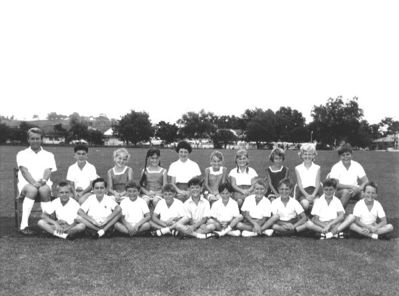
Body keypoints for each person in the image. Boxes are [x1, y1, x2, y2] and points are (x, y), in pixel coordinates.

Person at [16, 127, 57, 235]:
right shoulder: (21, 154)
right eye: (32, 138)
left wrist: (43, 180)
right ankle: (23, 226)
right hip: (27, 184)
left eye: (37, 138)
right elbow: (24, 171)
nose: (35, 141)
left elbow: (48, 170)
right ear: (28, 140)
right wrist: (34, 183)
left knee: (44, 190)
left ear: (41, 139)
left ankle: (46, 225)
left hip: (44, 182)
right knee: (32, 190)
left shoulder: (49, 155)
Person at [329, 143, 369, 207]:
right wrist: (351, 187)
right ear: (340, 157)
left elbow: (366, 181)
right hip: (340, 192)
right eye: (343, 155)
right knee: (346, 192)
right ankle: (338, 214)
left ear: (351, 155)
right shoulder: (336, 167)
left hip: (355, 191)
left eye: (348, 154)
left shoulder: (357, 165)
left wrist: (359, 189)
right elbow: (336, 185)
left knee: (367, 195)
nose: (346, 157)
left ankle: (365, 215)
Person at [294, 143, 321, 211]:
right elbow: (299, 184)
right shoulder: (298, 168)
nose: (307, 156)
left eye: (310, 154)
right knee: (305, 204)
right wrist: (306, 196)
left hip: (314, 191)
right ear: (301, 155)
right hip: (303, 192)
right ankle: (305, 215)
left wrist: (313, 195)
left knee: (318, 203)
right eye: (305, 154)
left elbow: (318, 184)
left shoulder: (317, 167)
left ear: (313, 155)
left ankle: (313, 216)